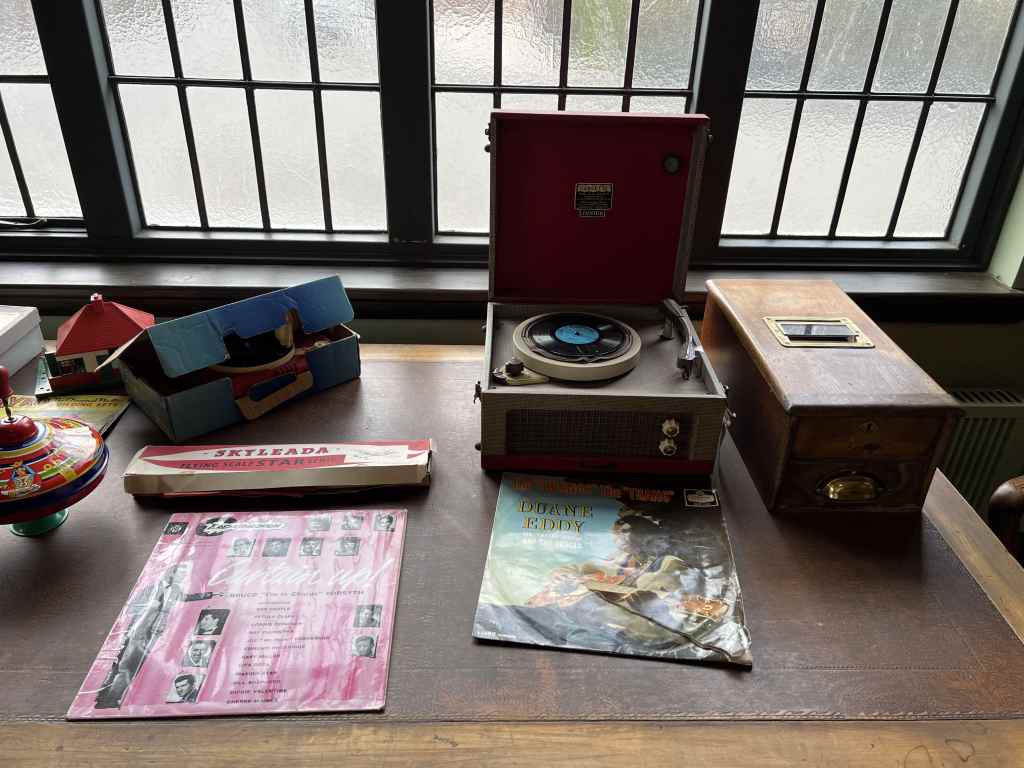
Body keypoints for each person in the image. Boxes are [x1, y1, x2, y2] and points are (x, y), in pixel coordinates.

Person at [94, 563, 220, 709]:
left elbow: (185, 597)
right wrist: (149, 607)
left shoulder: (175, 589)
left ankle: (107, 697)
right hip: (139, 631)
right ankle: (108, 699)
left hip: (155, 632)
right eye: (181, 573)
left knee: (133, 665)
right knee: (126, 665)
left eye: (185, 574)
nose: (183, 576)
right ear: (171, 573)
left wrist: (210, 594)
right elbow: (131, 608)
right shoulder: (151, 588)